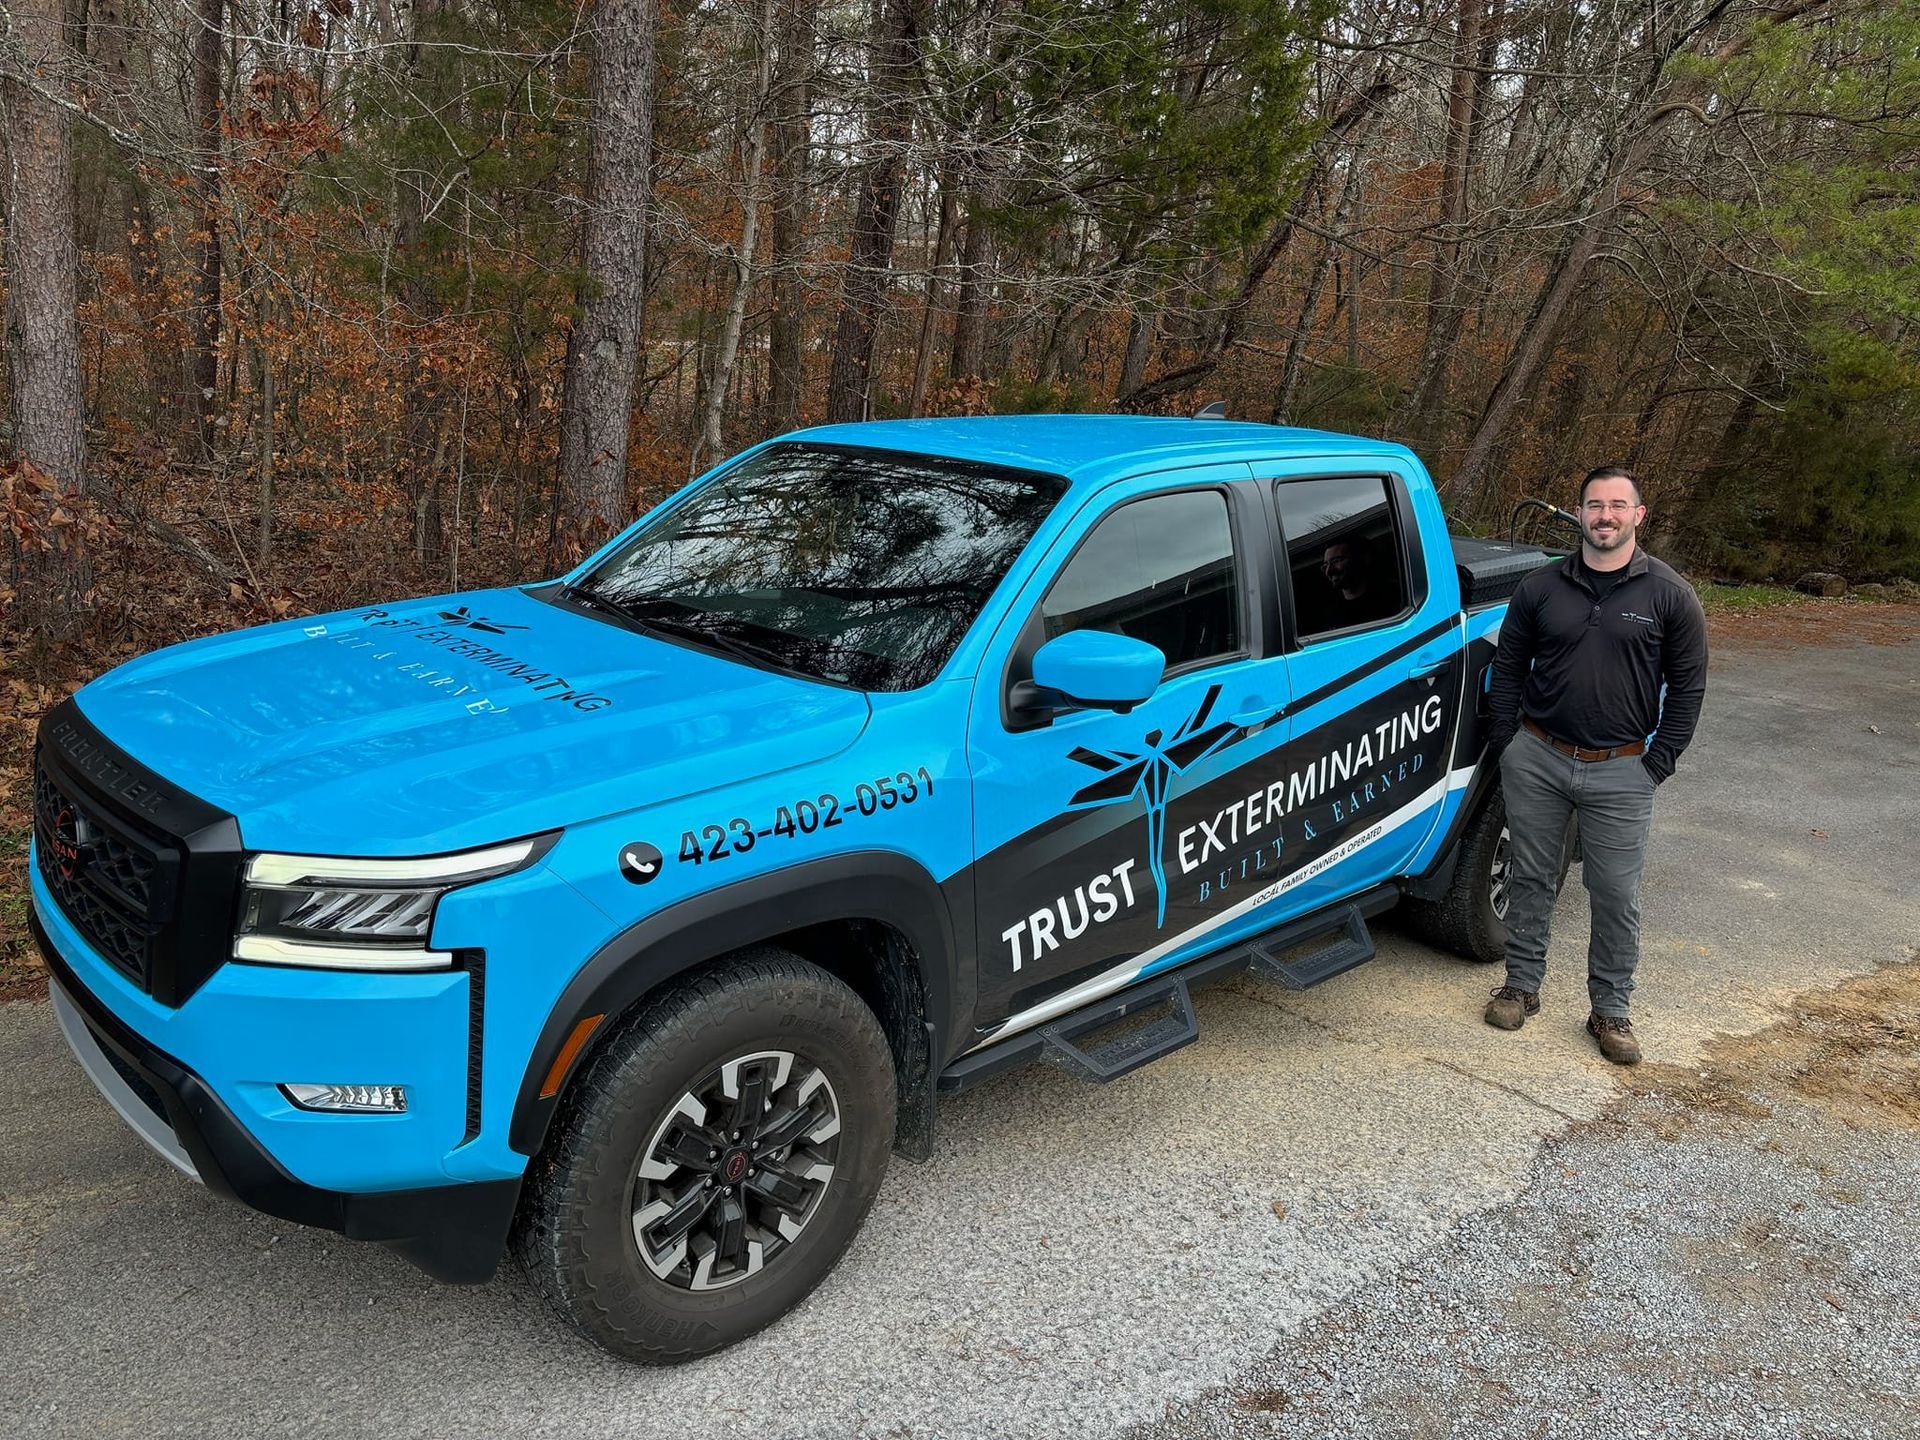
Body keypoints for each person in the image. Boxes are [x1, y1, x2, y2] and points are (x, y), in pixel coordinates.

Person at [1481, 464, 1708, 1064]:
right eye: (1593, 505)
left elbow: (1688, 689)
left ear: (1638, 515)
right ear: (1578, 513)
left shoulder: (1670, 595)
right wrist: (1509, 740)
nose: (1604, 516)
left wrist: (1657, 763)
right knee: (1531, 876)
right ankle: (1521, 986)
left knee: (1614, 892)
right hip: (1537, 758)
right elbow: (1508, 667)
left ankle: (1610, 1009)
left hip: (1622, 770)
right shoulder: (1540, 587)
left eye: (1616, 505)